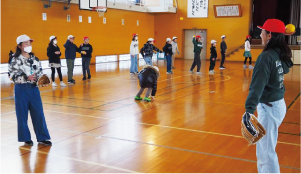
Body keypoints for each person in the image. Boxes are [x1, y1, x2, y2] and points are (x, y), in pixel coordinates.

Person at [245, 19, 293, 174]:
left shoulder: (266, 57)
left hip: (270, 108)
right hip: (277, 105)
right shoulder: (279, 53)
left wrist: (249, 110)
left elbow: (256, 85)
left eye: (263, 31)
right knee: (264, 150)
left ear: (269, 35)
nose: (260, 34)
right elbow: (284, 70)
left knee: (266, 153)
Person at [9, 35, 52, 146]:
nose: (29, 45)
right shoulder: (15, 60)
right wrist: (25, 78)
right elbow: (12, 75)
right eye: (26, 43)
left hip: (34, 89)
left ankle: (42, 137)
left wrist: (42, 79)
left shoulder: (35, 58)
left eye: (29, 43)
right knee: (22, 115)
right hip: (21, 90)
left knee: (38, 113)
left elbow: (39, 71)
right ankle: (25, 138)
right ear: (19, 46)